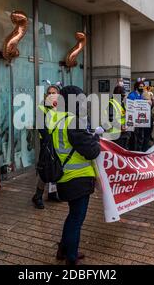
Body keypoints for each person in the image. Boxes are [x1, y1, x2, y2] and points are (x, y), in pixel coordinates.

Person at [53, 86, 101, 265]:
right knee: (76, 219)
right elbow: (92, 151)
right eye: (80, 100)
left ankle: (63, 249)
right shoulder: (74, 122)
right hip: (78, 177)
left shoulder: (57, 119)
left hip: (64, 176)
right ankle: (71, 258)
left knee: (72, 216)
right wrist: (95, 139)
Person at [32, 85, 62, 209]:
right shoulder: (42, 107)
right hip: (47, 143)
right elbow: (41, 127)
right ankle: (37, 196)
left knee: (57, 167)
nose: (51, 95)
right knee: (45, 169)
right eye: (49, 93)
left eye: (53, 92)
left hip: (59, 142)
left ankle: (52, 193)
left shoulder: (61, 107)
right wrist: (51, 138)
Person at [128, 80, 154, 151]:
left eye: (142, 86)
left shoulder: (144, 94)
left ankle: (141, 149)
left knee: (142, 136)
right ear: (136, 87)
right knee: (134, 136)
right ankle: (135, 150)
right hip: (134, 119)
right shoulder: (132, 95)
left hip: (143, 119)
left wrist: (150, 101)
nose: (141, 88)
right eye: (140, 86)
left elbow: (153, 103)